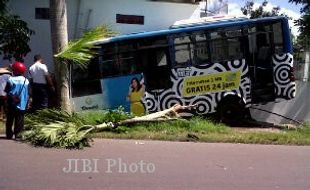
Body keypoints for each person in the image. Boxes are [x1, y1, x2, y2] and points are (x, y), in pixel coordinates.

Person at [5, 61, 30, 139]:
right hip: (22, 104)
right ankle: (18, 135)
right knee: (19, 120)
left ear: (15, 70)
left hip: (11, 103)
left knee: (9, 119)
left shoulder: (10, 79)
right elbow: (29, 93)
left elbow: (7, 90)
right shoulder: (26, 81)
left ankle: (9, 134)